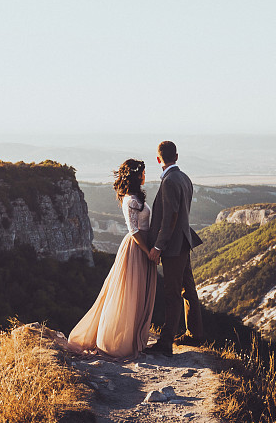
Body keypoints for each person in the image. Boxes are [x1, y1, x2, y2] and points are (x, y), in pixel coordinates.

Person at [67, 159, 157, 360]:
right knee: (129, 293)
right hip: (136, 249)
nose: (144, 175)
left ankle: (134, 338)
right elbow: (133, 230)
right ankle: (118, 342)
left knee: (139, 292)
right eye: (142, 173)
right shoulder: (129, 200)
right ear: (135, 175)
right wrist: (148, 251)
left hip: (143, 247)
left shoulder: (136, 196)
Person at [145, 141, 204, 357]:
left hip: (173, 246)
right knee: (188, 289)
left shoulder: (169, 181)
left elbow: (171, 217)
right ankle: (195, 334)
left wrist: (159, 246)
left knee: (172, 293)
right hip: (184, 241)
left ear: (159, 159)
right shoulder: (184, 177)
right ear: (176, 157)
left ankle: (166, 342)